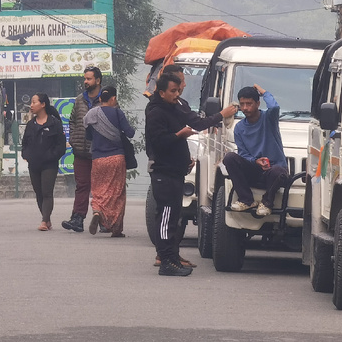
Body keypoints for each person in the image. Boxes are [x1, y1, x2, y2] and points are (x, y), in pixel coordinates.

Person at [146, 71, 237, 276]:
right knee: (166, 218)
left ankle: (173, 256)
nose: (177, 93)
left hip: (177, 170)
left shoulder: (177, 105)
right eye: (173, 90)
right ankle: (165, 261)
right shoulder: (155, 113)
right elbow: (160, 143)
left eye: (179, 89)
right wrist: (180, 134)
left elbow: (196, 122)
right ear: (161, 92)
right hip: (164, 172)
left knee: (175, 217)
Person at [222, 85, 289, 219]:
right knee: (229, 158)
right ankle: (246, 200)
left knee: (277, 171)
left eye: (249, 104)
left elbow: (274, 107)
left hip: (274, 171)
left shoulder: (269, 119)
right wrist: (255, 161)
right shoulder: (239, 128)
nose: (245, 108)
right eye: (242, 104)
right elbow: (243, 153)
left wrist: (264, 92)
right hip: (254, 170)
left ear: (257, 104)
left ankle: (266, 203)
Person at [84, 86, 135, 237]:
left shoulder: (91, 114)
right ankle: (116, 229)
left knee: (99, 190)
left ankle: (97, 211)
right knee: (117, 193)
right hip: (116, 158)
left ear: (100, 99)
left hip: (98, 159)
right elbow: (130, 132)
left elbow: (88, 136)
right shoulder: (117, 112)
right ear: (113, 99)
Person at [62, 66, 103, 232]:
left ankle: (105, 221)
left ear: (98, 81)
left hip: (100, 151)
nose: (85, 82)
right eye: (85, 78)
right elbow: (72, 121)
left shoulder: (106, 99)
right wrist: (73, 138)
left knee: (101, 187)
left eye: (89, 79)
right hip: (80, 151)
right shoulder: (79, 99)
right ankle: (77, 219)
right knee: (82, 185)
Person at [21, 93, 67, 231]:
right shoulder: (30, 124)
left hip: (49, 165)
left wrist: (52, 156)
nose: (31, 105)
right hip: (34, 164)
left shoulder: (55, 124)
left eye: (34, 102)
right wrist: (27, 155)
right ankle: (47, 219)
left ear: (43, 104)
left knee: (47, 192)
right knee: (39, 192)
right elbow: (25, 144)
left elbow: (61, 146)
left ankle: (44, 220)